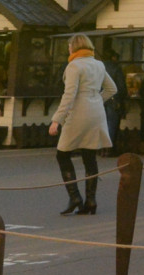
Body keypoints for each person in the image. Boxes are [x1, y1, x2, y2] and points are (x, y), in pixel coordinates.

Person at [48, 33, 116, 216]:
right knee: (89, 156)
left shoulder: (74, 66)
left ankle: (75, 196)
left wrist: (57, 119)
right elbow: (112, 88)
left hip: (78, 113)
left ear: (74, 47)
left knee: (62, 154)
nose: (68, 49)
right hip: (96, 113)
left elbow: (69, 95)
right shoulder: (99, 64)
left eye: (70, 46)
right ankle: (91, 200)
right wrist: (96, 100)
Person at [99, 47, 129, 157]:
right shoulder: (116, 68)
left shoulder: (98, 67)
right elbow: (121, 87)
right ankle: (109, 148)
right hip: (113, 99)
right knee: (111, 124)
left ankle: (101, 148)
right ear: (113, 57)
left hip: (99, 99)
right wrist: (123, 97)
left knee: (101, 124)